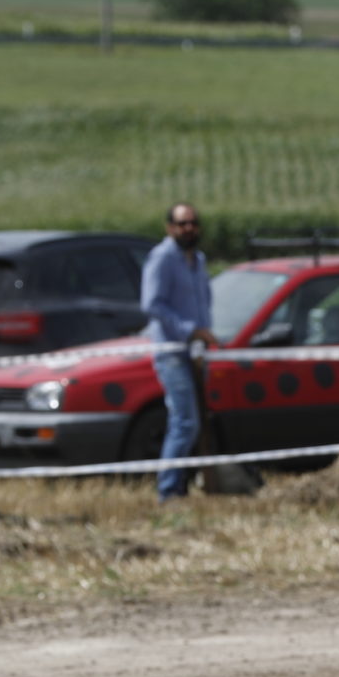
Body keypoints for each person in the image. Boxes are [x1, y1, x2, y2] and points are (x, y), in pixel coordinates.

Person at [141, 202, 217, 502]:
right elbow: (152, 304)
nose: (189, 229)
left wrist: (204, 334)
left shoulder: (199, 259)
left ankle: (185, 483)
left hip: (196, 351)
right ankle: (168, 490)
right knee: (185, 421)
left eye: (193, 223)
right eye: (182, 223)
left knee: (194, 422)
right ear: (170, 227)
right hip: (172, 350)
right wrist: (190, 330)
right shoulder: (162, 258)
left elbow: (204, 301)